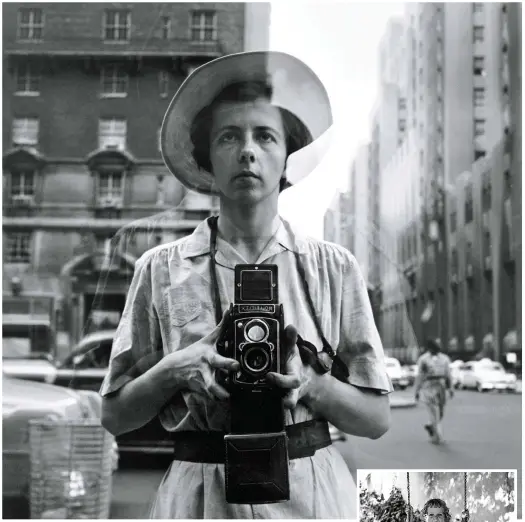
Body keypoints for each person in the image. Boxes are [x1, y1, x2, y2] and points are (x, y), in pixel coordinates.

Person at [99, 50, 393, 519]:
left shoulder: (334, 267)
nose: (247, 150)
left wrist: (312, 386)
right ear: (207, 157)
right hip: (198, 495)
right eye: (229, 136)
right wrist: (176, 370)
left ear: (285, 156)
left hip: (311, 495)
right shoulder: (158, 269)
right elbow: (114, 415)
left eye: (265, 135)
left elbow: (377, 420)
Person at [414, 339, 454, 444]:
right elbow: (420, 376)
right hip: (428, 386)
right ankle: (438, 437)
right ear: (429, 349)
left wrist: (450, 388)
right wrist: (417, 391)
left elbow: (448, 375)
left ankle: (430, 425)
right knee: (433, 413)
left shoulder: (445, 359)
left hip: (440, 386)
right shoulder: (423, 360)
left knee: (441, 413)